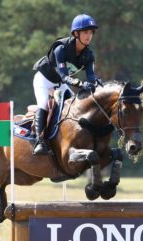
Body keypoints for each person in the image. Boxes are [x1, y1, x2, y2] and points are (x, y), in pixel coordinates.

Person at [31, 14, 101, 155]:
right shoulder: (61, 49)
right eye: (85, 32)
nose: (89, 36)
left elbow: (91, 76)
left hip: (59, 83)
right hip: (43, 80)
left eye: (91, 32)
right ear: (76, 33)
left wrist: (99, 83)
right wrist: (81, 84)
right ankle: (39, 141)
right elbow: (63, 75)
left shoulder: (88, 55)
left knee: (75, 106)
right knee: (44, 104)